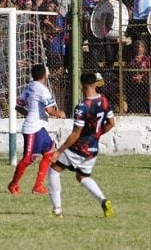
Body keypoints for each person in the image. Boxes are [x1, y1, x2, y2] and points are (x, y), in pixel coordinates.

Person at [48, 72, 115, 218]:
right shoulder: (103, 100)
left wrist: (59, 151)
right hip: (93, 149)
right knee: (82, 176)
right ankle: (103, 201)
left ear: (82, 86)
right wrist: (96, 135)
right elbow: (111, 123)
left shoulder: (82, 107)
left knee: (54, 170)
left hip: (79, 148)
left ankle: (57, 210)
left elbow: (75, 134)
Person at [8, 64, 65, 196]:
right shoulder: (42, 89)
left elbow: (18, 106)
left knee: (49, 153)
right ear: (44, 75)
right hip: (33, 129)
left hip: (39, 128)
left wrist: (29, 114)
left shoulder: (29, 86)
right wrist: (60, 114)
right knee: (28, 159)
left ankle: (38, 186)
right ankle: (13, 184)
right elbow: (49, 110)